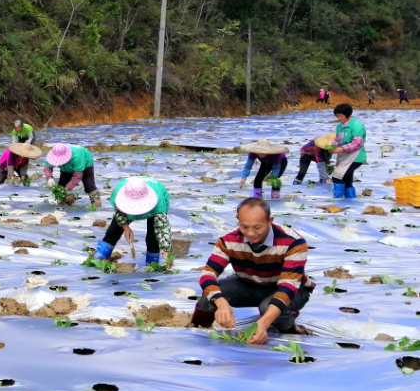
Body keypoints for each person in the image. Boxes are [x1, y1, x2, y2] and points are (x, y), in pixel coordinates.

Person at [192, 198, 313, 344]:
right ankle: (195, 331)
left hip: (291, 289)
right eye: (244, 227)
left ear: (270, 221)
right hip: (250, 284)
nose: (250, 233)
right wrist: (221, 303)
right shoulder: (228, 240)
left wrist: (262, 324)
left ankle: (295, 333)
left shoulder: (293, 242)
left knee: (268, 308)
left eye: (257, 227)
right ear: (238, 220)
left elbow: (288, 286)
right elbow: (208, 275)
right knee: (211, 296)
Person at [93, 176, 171, 268]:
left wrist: (166, 251)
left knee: (153, 238)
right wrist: (126, 228)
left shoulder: (158, 201)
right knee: (113, 231)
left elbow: (162, 228)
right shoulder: (118, 194)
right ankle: (98, 260)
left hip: (154, 207)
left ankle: (152, 266)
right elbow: (120, 213)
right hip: (127, 204)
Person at [42, 143, 102, 208]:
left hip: (85, 164)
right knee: (61, 186)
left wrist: (67, 188)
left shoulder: (77, 156)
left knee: (89, 186)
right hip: (66, 168)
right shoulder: (53, 154)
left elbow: (77, 176)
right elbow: (47, 167)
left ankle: (97, 207)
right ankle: (60, 206)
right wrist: (49, 178)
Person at [329, 103, 366, 199]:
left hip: (356, 157)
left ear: (347, 114)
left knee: (337, 176)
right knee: (346, 179)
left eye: (340, 116)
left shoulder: (357, 126)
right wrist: (331, 147)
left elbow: (357, 143)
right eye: (337, 116)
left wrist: (340, 149)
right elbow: (337, 139)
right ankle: (350, 203)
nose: (338, 118)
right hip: (343, 157)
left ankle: (337, 200)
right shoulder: (339, 127)